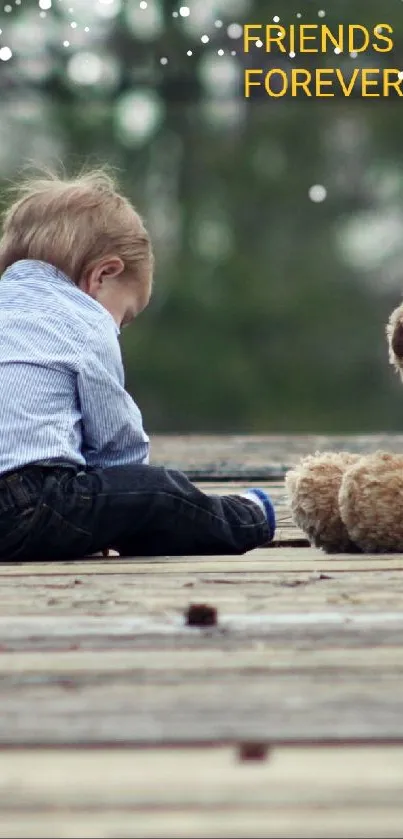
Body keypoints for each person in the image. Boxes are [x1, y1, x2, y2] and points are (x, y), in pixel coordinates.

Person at [0, 168, 275, 561]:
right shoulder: (84, 319)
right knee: (159, 493)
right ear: (103, 275)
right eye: (124, 317)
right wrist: (126, 495)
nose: (118, 329)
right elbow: (116, 444)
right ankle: (247, 517)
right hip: (30, 506)